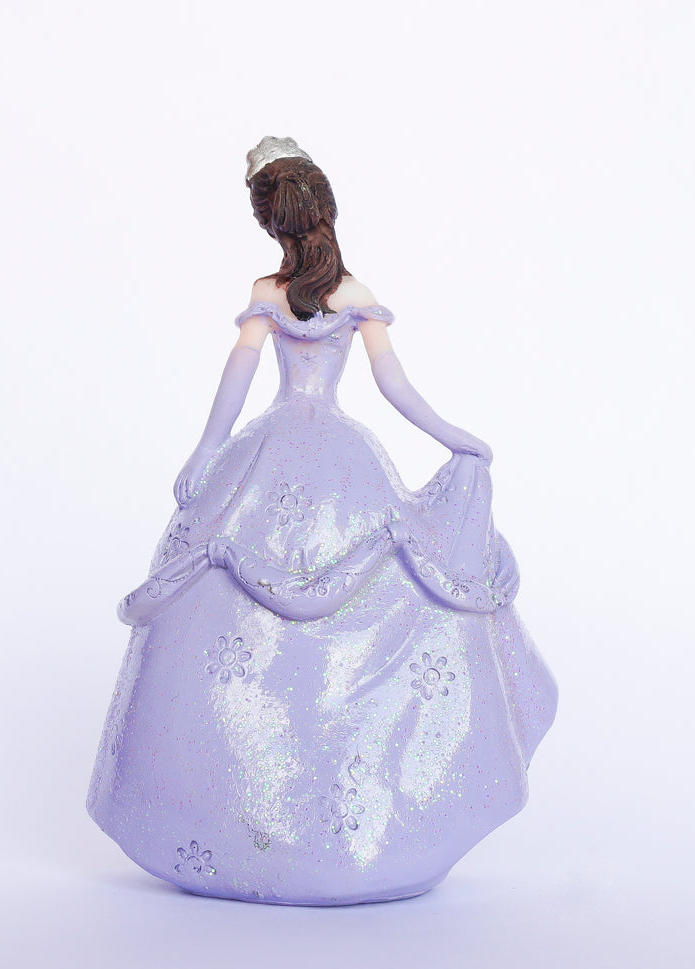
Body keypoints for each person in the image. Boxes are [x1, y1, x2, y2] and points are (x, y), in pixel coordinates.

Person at [87, 137, 557, 905]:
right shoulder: (350, 292)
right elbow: (394, 386)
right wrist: (451, 435)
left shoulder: (269, 292)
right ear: (323, 211)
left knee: (231, 601)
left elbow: (242, 376)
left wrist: (209, 451)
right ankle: (284, 831)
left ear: (271, 222)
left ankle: (270, 827)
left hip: (269, 452)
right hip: (341, 458)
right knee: (362, 592)